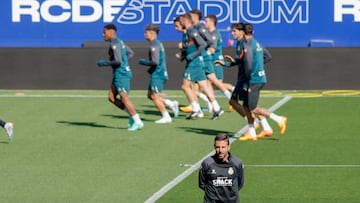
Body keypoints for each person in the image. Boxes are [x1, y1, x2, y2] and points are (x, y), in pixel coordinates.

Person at [238, 23, 287, 140]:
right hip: (259, 77)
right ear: (253, 32)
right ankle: (253, 133)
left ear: (243, 33)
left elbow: (248, 66)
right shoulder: (257, 43)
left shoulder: (247, 45)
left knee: (253, 108)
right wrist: (259, 65)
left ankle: (279, 119)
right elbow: (268, 57)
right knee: (246, 105)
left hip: (253, 80)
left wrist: (246, 81)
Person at [97, 24, 144, 131]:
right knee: (111, 97)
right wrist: (125, 63)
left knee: (124, 97)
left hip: (121, 74)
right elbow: (130, 53)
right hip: (119, 72)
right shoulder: (119, 41)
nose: (103, 34)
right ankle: (132, 117)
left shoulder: (115, 42)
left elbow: (118, 61)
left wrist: (104, 63)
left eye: (104, 32)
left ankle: (137, 121)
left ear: (111, 32)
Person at [179, 13, 224, 120]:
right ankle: (217, 108)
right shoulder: (188, 32)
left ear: (185, 21)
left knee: (185, 86)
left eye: (181, 21)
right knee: (204, 86)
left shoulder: (192, 31)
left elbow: (203, 44)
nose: (180, 23)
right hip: (197, 62)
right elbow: (192, 46)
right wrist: (183, 54)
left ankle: (196, 109)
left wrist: (193, 55)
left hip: (195, 63)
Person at [138, 24, 179, 124]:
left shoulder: (154, 44)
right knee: (150, 95)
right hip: (158, 72)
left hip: (158, 74)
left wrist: (144, 62)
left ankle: (166, 116)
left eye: (146, 32)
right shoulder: (157, 43)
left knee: (155, 96)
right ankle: (171, 104)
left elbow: (155, 61)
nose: (144, 34)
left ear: (151, 33)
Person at [199, 133, 244, 203]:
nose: (220, 150)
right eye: (217, 147)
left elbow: (240, 184)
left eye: (223, 147)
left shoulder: (237, 163)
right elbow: (202, 184)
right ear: (214, 147)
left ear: (228, 147)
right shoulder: (207, 163)